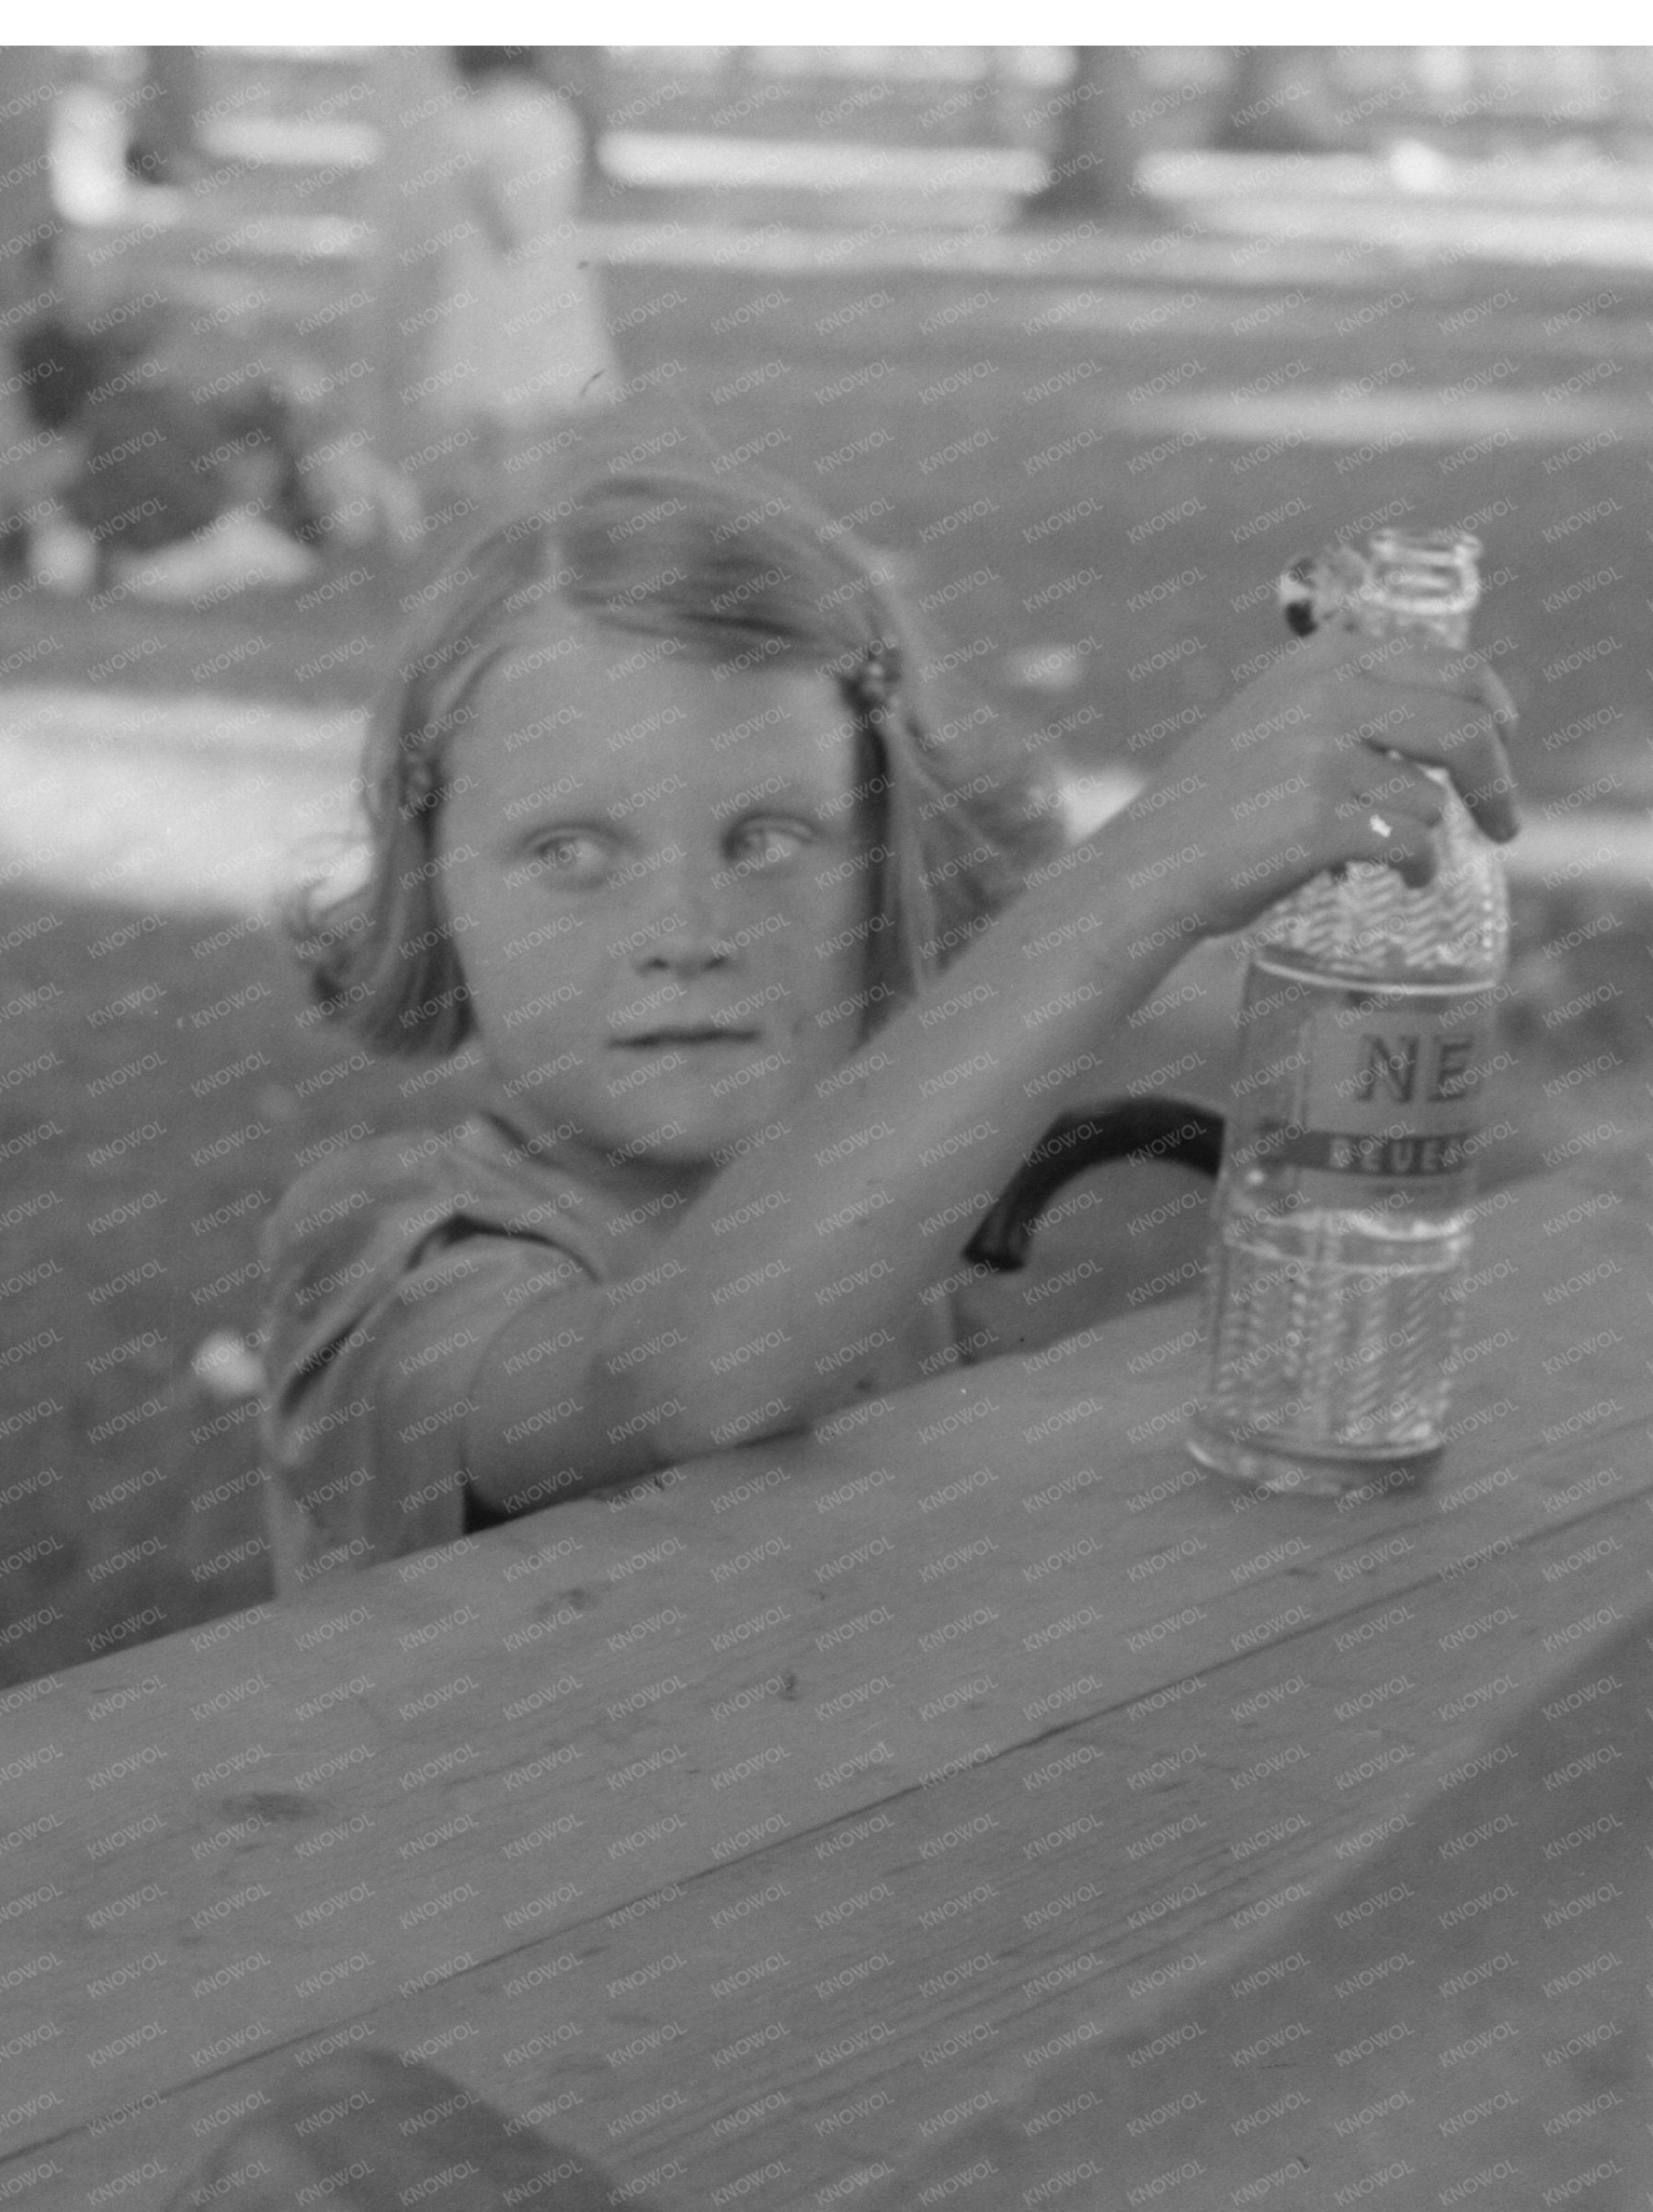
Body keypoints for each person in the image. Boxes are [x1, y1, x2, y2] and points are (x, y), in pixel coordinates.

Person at [254, 472, 1518, 1589]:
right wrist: (1141, 875)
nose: (684, 930)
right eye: (570, 851)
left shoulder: (875, 1207)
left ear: (894, 860)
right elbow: (676, 1377)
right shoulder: (387, 1252)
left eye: (768, 839)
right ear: (433, 882)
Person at [416, 48, 625, 519]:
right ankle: (530, 499)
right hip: (556, 266)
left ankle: (503, 501)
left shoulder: (479, 118)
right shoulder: (552, 110)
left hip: (497, 273)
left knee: (499, 390)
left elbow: (495, 214)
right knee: (542, 391)